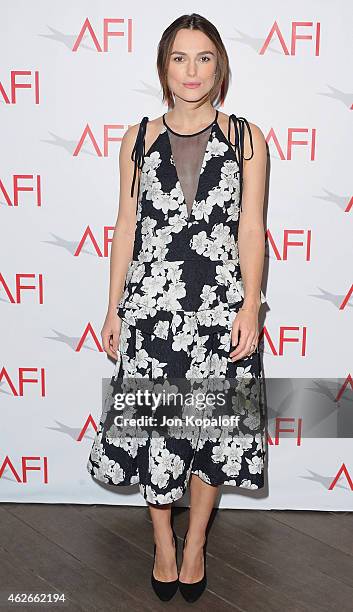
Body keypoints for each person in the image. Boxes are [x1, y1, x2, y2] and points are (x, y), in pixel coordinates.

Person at [87, 13, 268, 603]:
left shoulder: (246, 138)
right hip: (152, 314)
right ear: (164, 67)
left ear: (220, 67)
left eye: (205, 57)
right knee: (156, 433)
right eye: (179, 58)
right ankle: (164, 540)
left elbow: (251, 231)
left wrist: (250, 307)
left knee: (213, 431)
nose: (192, 71)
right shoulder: (137, 139)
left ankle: (196, 546)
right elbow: (125, 225)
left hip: (221, 313)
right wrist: (114, 309)